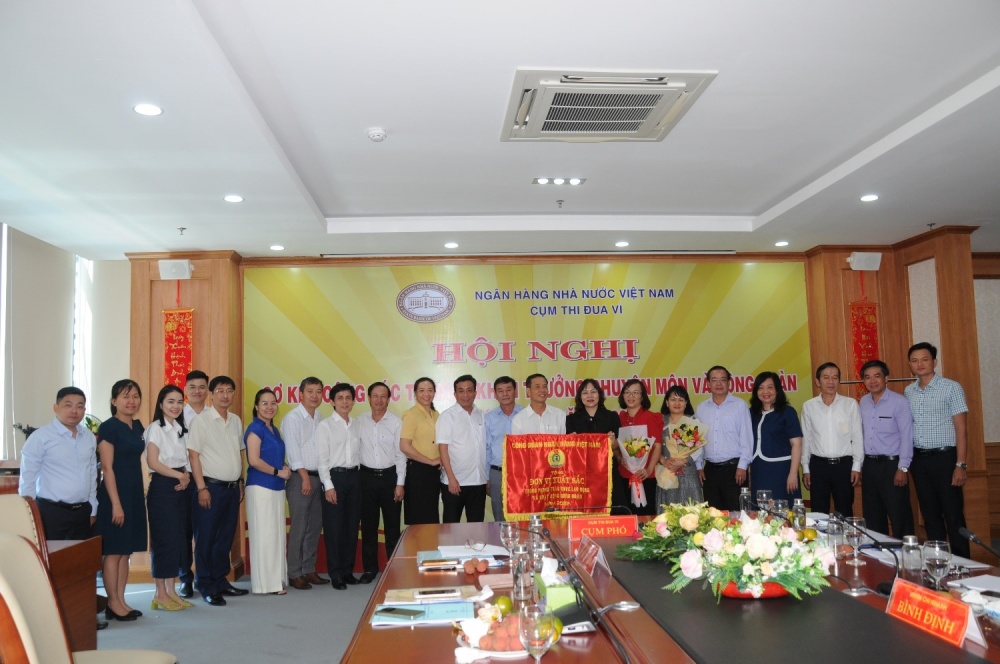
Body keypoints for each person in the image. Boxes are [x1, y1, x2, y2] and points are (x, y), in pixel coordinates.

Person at [18, 387, 106, 629]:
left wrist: (93, 507)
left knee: (80, 567)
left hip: (82, 512)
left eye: (80, 405)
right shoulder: (41, 437)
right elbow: (27, 480)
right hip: (51, 513)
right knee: (53, 567)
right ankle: (54, 620)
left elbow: (92, 473)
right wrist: (29, 514)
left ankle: (82, 616)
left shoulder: (88, 437)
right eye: (68, 404)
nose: (74, 410)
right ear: (56, 407)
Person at [905, 342, 970, 558]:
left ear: (934, 361)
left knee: (953, 515)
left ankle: (963, 565)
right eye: (915, 361)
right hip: (919, 460)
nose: (920, 364)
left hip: (945, 458)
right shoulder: (909, 391)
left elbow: (962, 430)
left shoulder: (951, 387)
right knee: (930, 515)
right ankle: (938, 562)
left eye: (924, 359)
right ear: (910, 365)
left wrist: (960, 465)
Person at [188, 375, 248, 606]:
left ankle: (220, 580)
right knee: (206, 538)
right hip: (210, 488)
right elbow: (193, 456)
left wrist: (240, 481)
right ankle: (205, 584)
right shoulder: (201, 421)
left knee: (225, 537)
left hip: (232, 489)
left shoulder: (235, 420)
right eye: (220, 391)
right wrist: (201, 487)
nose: (225, 395)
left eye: (229, 391)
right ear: (211, 394)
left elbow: (238, 453)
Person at [94, 379, 148, 622]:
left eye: (135, 396)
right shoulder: (109, 427)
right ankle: (112, 602)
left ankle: (121, 600)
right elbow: (107, 467)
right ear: (114, 401)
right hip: (114, 494)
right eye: (125, 396)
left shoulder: (137, 426)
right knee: (113, 551)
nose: (131, 401)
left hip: (134, 493)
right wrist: (116, 504)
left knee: (125, 551)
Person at [144, 385, 194, 611]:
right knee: (163, 540)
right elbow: (153, 462)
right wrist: (179, 476)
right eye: (170, 401)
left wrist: (186, 476)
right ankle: (160, 593)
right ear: (161, 404)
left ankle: (172, 591)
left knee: (178, 540)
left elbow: (186, 460)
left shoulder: (180, 428)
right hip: (163, 487)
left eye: (179, 402)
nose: (175, 406)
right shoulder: (155, 428)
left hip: (180, 485)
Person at [281, 376, 329, 590]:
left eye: (318, 391)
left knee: (314, 526)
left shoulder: (320, 417)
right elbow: (292, 451)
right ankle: (294, 573)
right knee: (299, 527)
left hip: (318, 477)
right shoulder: (292, 418)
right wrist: (304, 478)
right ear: (300, 394)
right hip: (300, 479)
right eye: (310, 391)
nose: (314, 396)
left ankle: (309, 569)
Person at [859, 360, 914, 537]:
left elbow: (906, 436)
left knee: (899, 515)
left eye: (877, 376)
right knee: (873, 516)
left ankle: (906, 552)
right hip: (869, 465)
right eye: (867, 377)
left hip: (892, 466)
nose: (872, 381)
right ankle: (879, 552)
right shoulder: (863, 402)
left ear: (886, 378)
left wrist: (902, 468)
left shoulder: (899, 402)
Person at [244, 388, 292, 595]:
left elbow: (275, 457)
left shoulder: (274, 429)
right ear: (256, 406)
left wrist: (284, 468)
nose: (269, 407)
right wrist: (277, 472)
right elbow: (254, 460)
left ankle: (276, 579)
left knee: (276, 534)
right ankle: (265, 584)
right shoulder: (255, 429)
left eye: (273, 403)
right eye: (264, 403)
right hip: (260, 487)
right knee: (265, 535)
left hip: (277, 487)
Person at [801, 362, 863, 516]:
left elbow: (857, 437)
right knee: (818, 512)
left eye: (835, 378)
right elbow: (806, 439)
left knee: (845, 511)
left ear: (839, 381)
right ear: (818, 381)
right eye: (826, 377)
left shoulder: (850, 404)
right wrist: (806, 468)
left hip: (844, 466)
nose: (831, 382)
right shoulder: (809, 406)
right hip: (818, 466)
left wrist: (856, 466)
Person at [317, 383, 363, 590]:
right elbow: (322, 460)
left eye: (348, 398)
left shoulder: (357, 425)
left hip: (355, 478)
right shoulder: (325, 426)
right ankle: (335, 573)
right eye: (340, 398)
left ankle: (347, 571)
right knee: (334, 528)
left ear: (353, 401)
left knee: (352, 526)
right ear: (332, 402)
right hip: (334, 478)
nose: (345, 402)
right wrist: (328, 485)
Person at [357, 381, 405, 584]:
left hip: (390, 478)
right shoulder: (359, 421)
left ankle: (393, 569)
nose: (379, 400)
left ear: (389, 399)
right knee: (368, 526)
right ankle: (370, 569)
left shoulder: (396, 422)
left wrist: (400, 483)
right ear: (368, 398)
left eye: (383, 396)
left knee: (392, 527)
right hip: (366, 478)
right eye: (375, 396)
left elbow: (400, 455)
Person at [695, 366, 753, 511]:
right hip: (710, 471)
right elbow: (698, 441)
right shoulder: (701, 408)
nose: (719, 384)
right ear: (708, 383)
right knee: (713, 514)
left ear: (729, 382)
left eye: (723, 380)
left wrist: (742, 466)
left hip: (734, 470)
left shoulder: (740, 405)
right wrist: (698, 466)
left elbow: (746, 437)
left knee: (737, 514)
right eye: (714, 380)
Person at [436, 375, 487, 523]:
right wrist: (451, 478)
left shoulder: (482, 415)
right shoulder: (447, 417)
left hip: (478, 481)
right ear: (455, 394)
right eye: (461, 391)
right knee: (451, 528)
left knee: (477, 527)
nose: (465, 395)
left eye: (469, 390)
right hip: (455, 482)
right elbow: (443, 449)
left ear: (475, 393)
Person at [177, 369, 209, 598]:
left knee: (206, 531)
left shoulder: (213, 414)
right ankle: (185, 578)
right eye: (192, 387)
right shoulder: (177, 414)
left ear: (207, 390)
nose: (197, 391)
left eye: (202, 387)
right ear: (185, 389)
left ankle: (203, 577)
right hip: (185, 478)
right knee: (184, 531)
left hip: (210, 479)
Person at [749, 372, 804, 503]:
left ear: (777, 390)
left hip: (782, 471)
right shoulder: (751, 413)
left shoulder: (787, 412)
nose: (765, 391)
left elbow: (797, 444)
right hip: (758, 470)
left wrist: (793, 474)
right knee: (760, 510)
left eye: (770, 387)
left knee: (783, 509)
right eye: (761, 388)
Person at [566, 379, 620, 509]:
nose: (589, 396)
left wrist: (614, 442)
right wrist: (570, 442)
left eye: (593, 392)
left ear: (599, 394)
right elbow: (568, 451)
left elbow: (618, 446)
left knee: (612, 508)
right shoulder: (571, 419)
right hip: (582, 473)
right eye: (585, 393)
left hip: (608, 471)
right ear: (580, 397)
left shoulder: (612, 417)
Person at [616, 378, 663, 515]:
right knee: (627, 516)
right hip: (624, 476)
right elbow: (616, 446)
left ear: (642, 397)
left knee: (646, 517)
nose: (631, 396)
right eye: (627, 392)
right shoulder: (619, 418)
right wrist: (619, 458)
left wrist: (648, 469)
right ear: (622, 395)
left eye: (636, 392)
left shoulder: (650, 417)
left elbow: (657, 446)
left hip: (645, 476)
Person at [400, 377, 441, 525]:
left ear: (434, 392)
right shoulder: (411, 414)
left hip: (434, 472)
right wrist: (431, 461)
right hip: (418, 471)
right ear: (415, 393)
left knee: (431, 516)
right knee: (419, 518)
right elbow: (404, 446)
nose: (426, 394)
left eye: (430, 390)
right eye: (422, 390)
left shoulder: (436, 414)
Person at [656, 385, 704, 507]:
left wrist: (683, 461)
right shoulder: (660, 421)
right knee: (668, 511)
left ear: (686, 403)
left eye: (681, 400)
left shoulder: (694, 422)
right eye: (673, 399)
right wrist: (663, 460)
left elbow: (699, 449)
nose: (677, 403)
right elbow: (654, 446)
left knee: (691, 511)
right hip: (667, 472)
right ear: (667, 402)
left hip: (688, 474)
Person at [484, 376, 523, 521]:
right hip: (497, 473)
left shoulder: (525, 414)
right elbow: (486, 449)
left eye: (508, 390)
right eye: (500, 391)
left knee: (522, 513)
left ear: (515, 391)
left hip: (522, 473)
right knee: (499, 516)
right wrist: (487, 478)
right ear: (495, 394)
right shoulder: (489, 418)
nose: (505, 394)